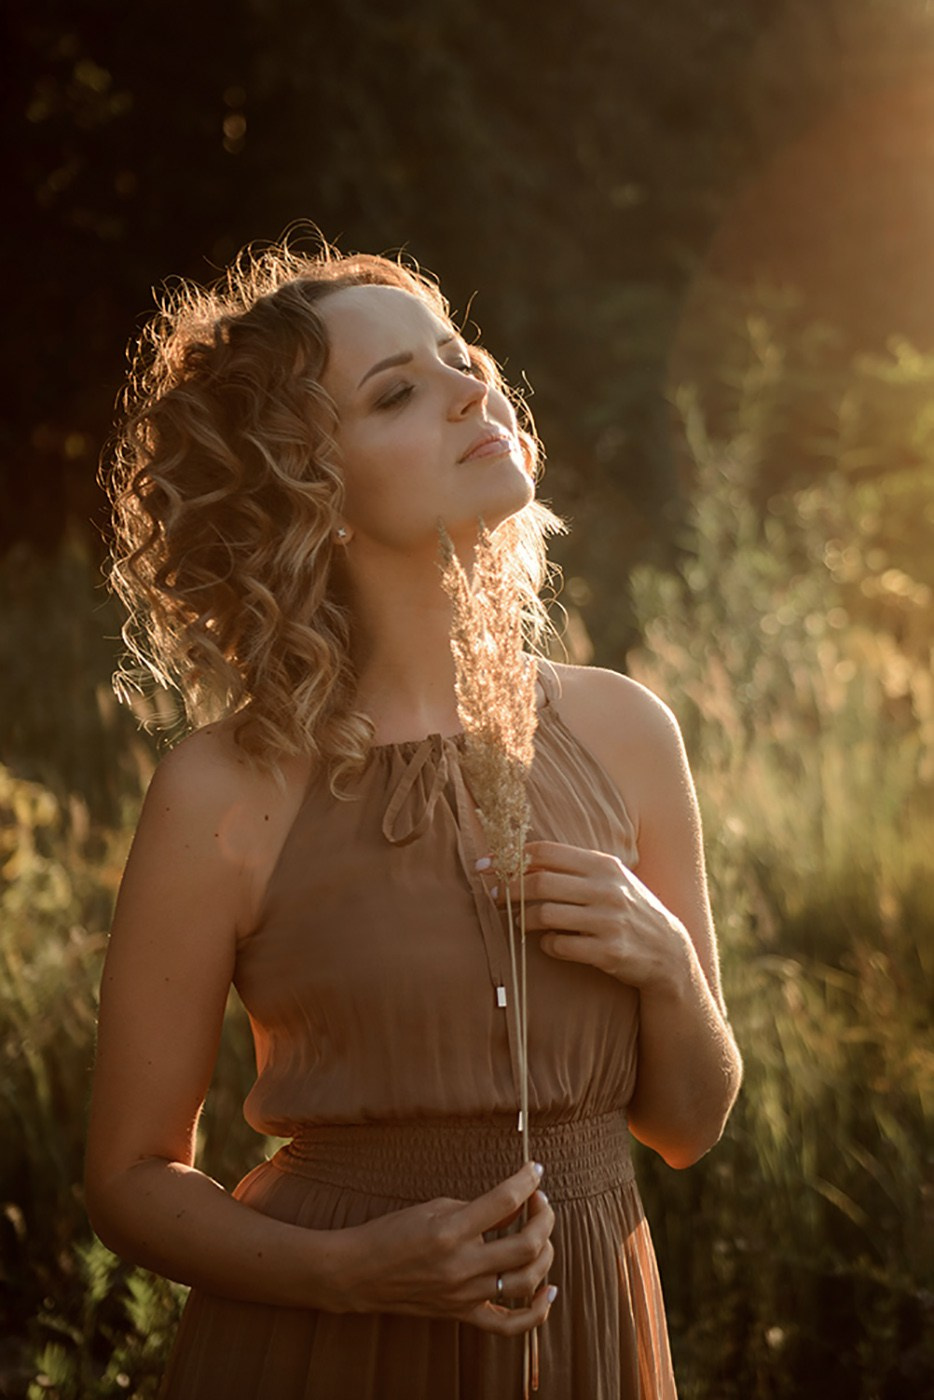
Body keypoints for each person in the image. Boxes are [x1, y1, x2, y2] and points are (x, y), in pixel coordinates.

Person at [85, 238, 743, 1400]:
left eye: (459, 357)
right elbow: (130, 1176)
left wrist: (669, 963)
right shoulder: (224, 787)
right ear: (309, 488)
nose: (470, 389)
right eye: (395, 393)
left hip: (587, 1336)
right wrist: (348, 1272)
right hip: (325, 1351)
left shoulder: (626, 729)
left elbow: (688, 1126)